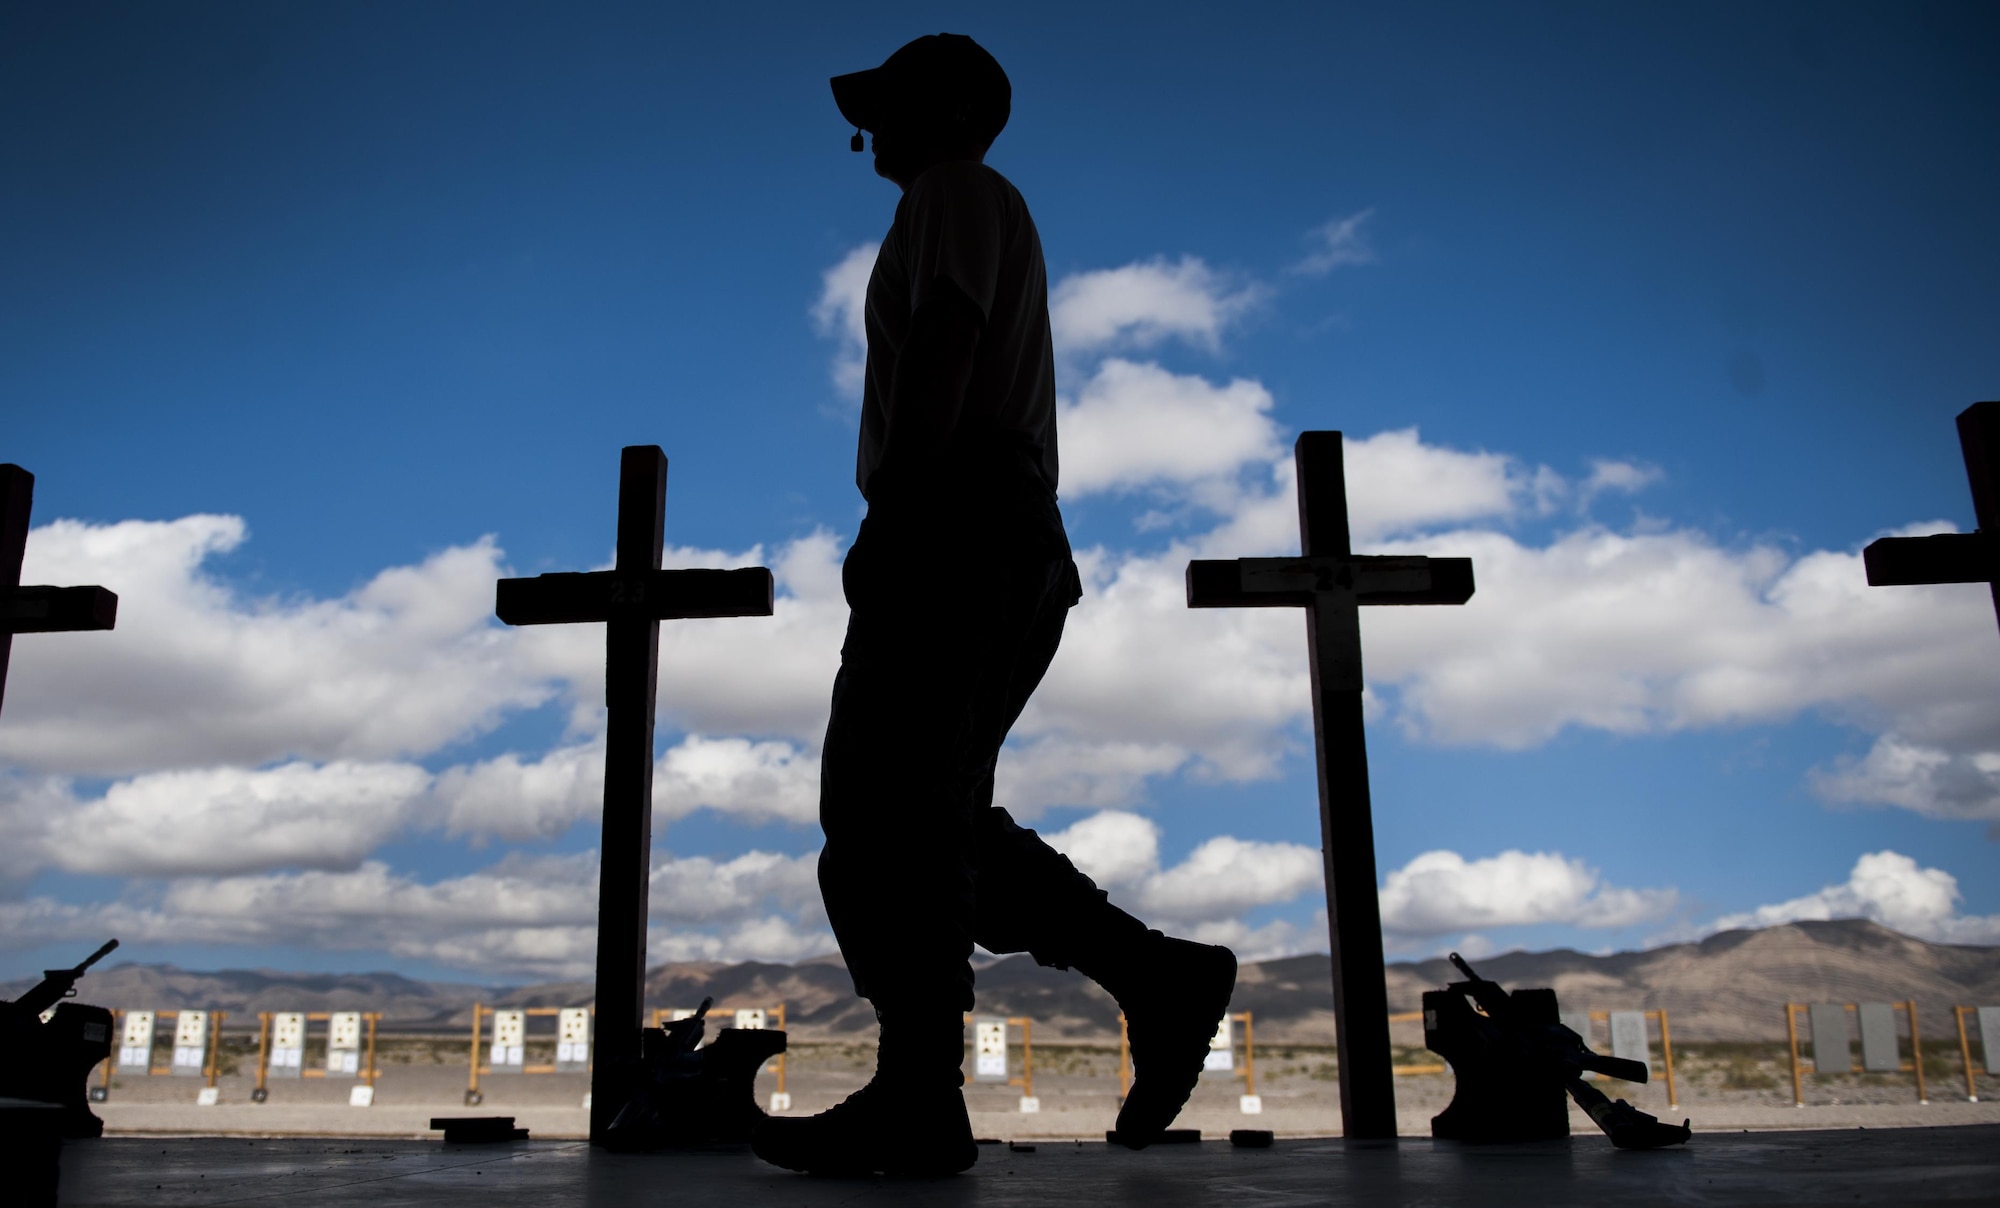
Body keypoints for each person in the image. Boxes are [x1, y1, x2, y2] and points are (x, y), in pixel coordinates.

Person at [750, 33, 1237, 1177]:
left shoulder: (957, 192)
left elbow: (946, 338)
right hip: (989, 524)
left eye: (884, 108)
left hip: (955, 514)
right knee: (922, 806)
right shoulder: (956, 199)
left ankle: (920, 1093)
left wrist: (899, 512)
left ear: (949, 108)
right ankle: (1156, 977)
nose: (862, 133)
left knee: (881, 808)